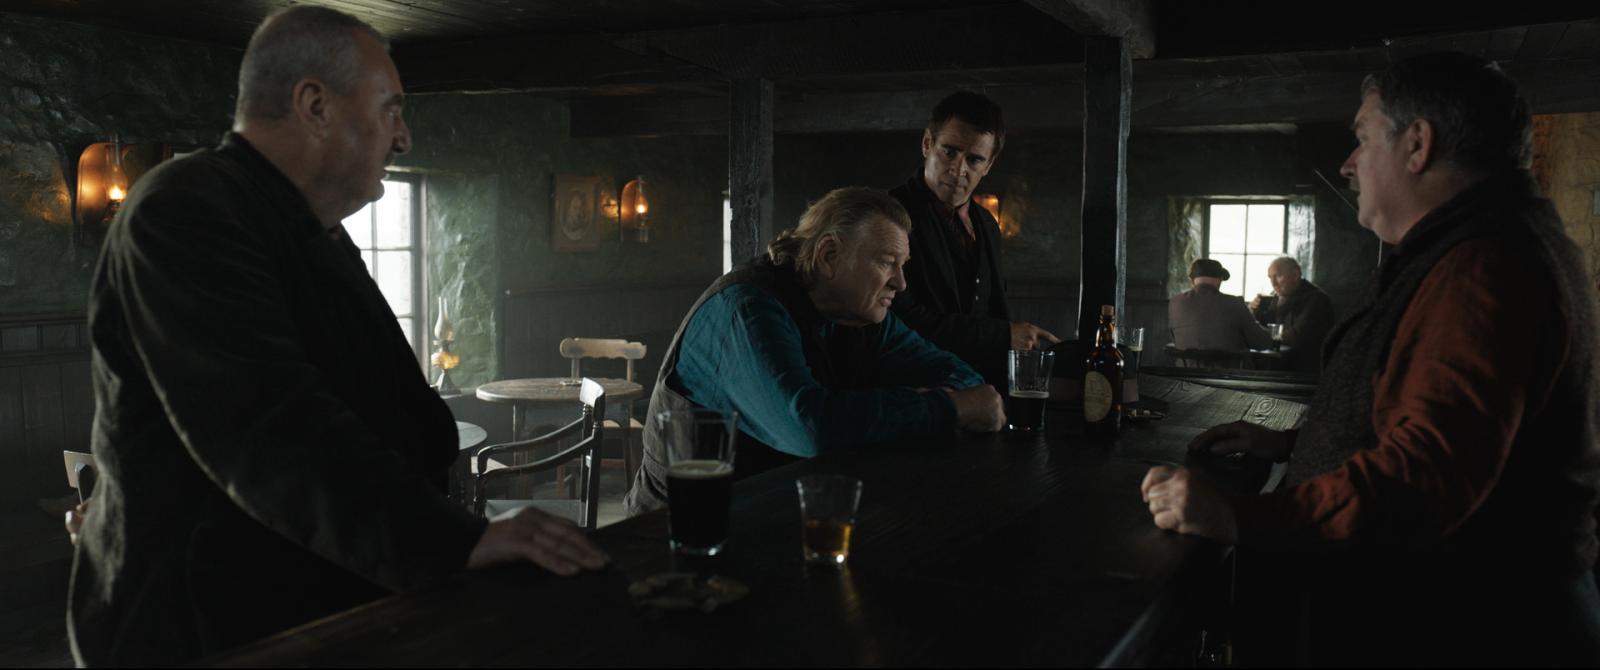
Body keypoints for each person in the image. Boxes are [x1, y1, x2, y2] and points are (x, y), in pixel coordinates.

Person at [71, 7, 608, 666]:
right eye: (390, 109)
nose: (403, 137)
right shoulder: (182, 209)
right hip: (206, 627)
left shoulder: (314, 228)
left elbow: (387, 402)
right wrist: (452, 540)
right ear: (315, 105)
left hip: (313, 603)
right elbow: (268, 424)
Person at [1140, 52, 1600, 666]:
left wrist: (1236, 517)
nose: (1347, 163)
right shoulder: (1476, 248)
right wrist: (1295, 444)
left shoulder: (1483, 268)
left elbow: (1424, 477)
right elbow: (1428, 416)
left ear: (1417, 145)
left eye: (1361, 138)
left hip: (1468, 627)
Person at [624, 187, 1005, 515]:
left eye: (902, 265)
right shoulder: (747, 308)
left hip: (772, 520)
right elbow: (810, 428)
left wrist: (932, 403)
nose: (901, 283)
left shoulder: (863, 315)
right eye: (886, 262)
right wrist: (948, 408)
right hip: (675, 534)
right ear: (828, 256)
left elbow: (964, 380)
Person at [888, 91, 1057, 389]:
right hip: (916, 387)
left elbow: (992, 308)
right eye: (949, 152)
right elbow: (898, 318)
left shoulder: (987, 224)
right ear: (927, 144)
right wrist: (1002, 335)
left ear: (989, 165)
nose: (959, 169)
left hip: (982, 388)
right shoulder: (888, 214)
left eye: (974, 159)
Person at [1166, 258, 1274, 353]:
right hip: (1229, 370)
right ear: (1220, 279)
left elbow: (1175, 340)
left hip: (1185, 369)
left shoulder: (1175, 303)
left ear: (1191, 280)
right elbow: (1262, 343)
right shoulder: (1235, 303)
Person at [1248, 256, 1334, 373]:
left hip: (1303, 370)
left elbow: (1294, 337)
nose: (1273, 283)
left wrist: (1258, 334)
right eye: (1270, 278)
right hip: (1279, 365)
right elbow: (1264, 325)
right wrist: (1253, 312)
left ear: (1296, 275)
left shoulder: (1317, 300)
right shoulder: (1276, 297)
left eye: (1278, 276)